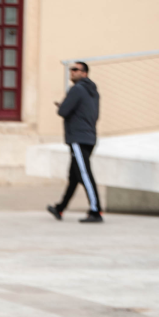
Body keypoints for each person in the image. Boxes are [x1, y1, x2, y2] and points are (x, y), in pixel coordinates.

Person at [49, 61, 103, 223]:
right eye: (71, 69)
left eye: (76, 70)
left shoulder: (77, 89)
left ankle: (96, 211)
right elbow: (91, 114)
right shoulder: (93, 92)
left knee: (85, 174)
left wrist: (62, 106)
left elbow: (63, 111)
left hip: (78, 138)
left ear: (84, 73)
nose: (72, 72)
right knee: (74, 176)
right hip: (89, 137)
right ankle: (60, 208)